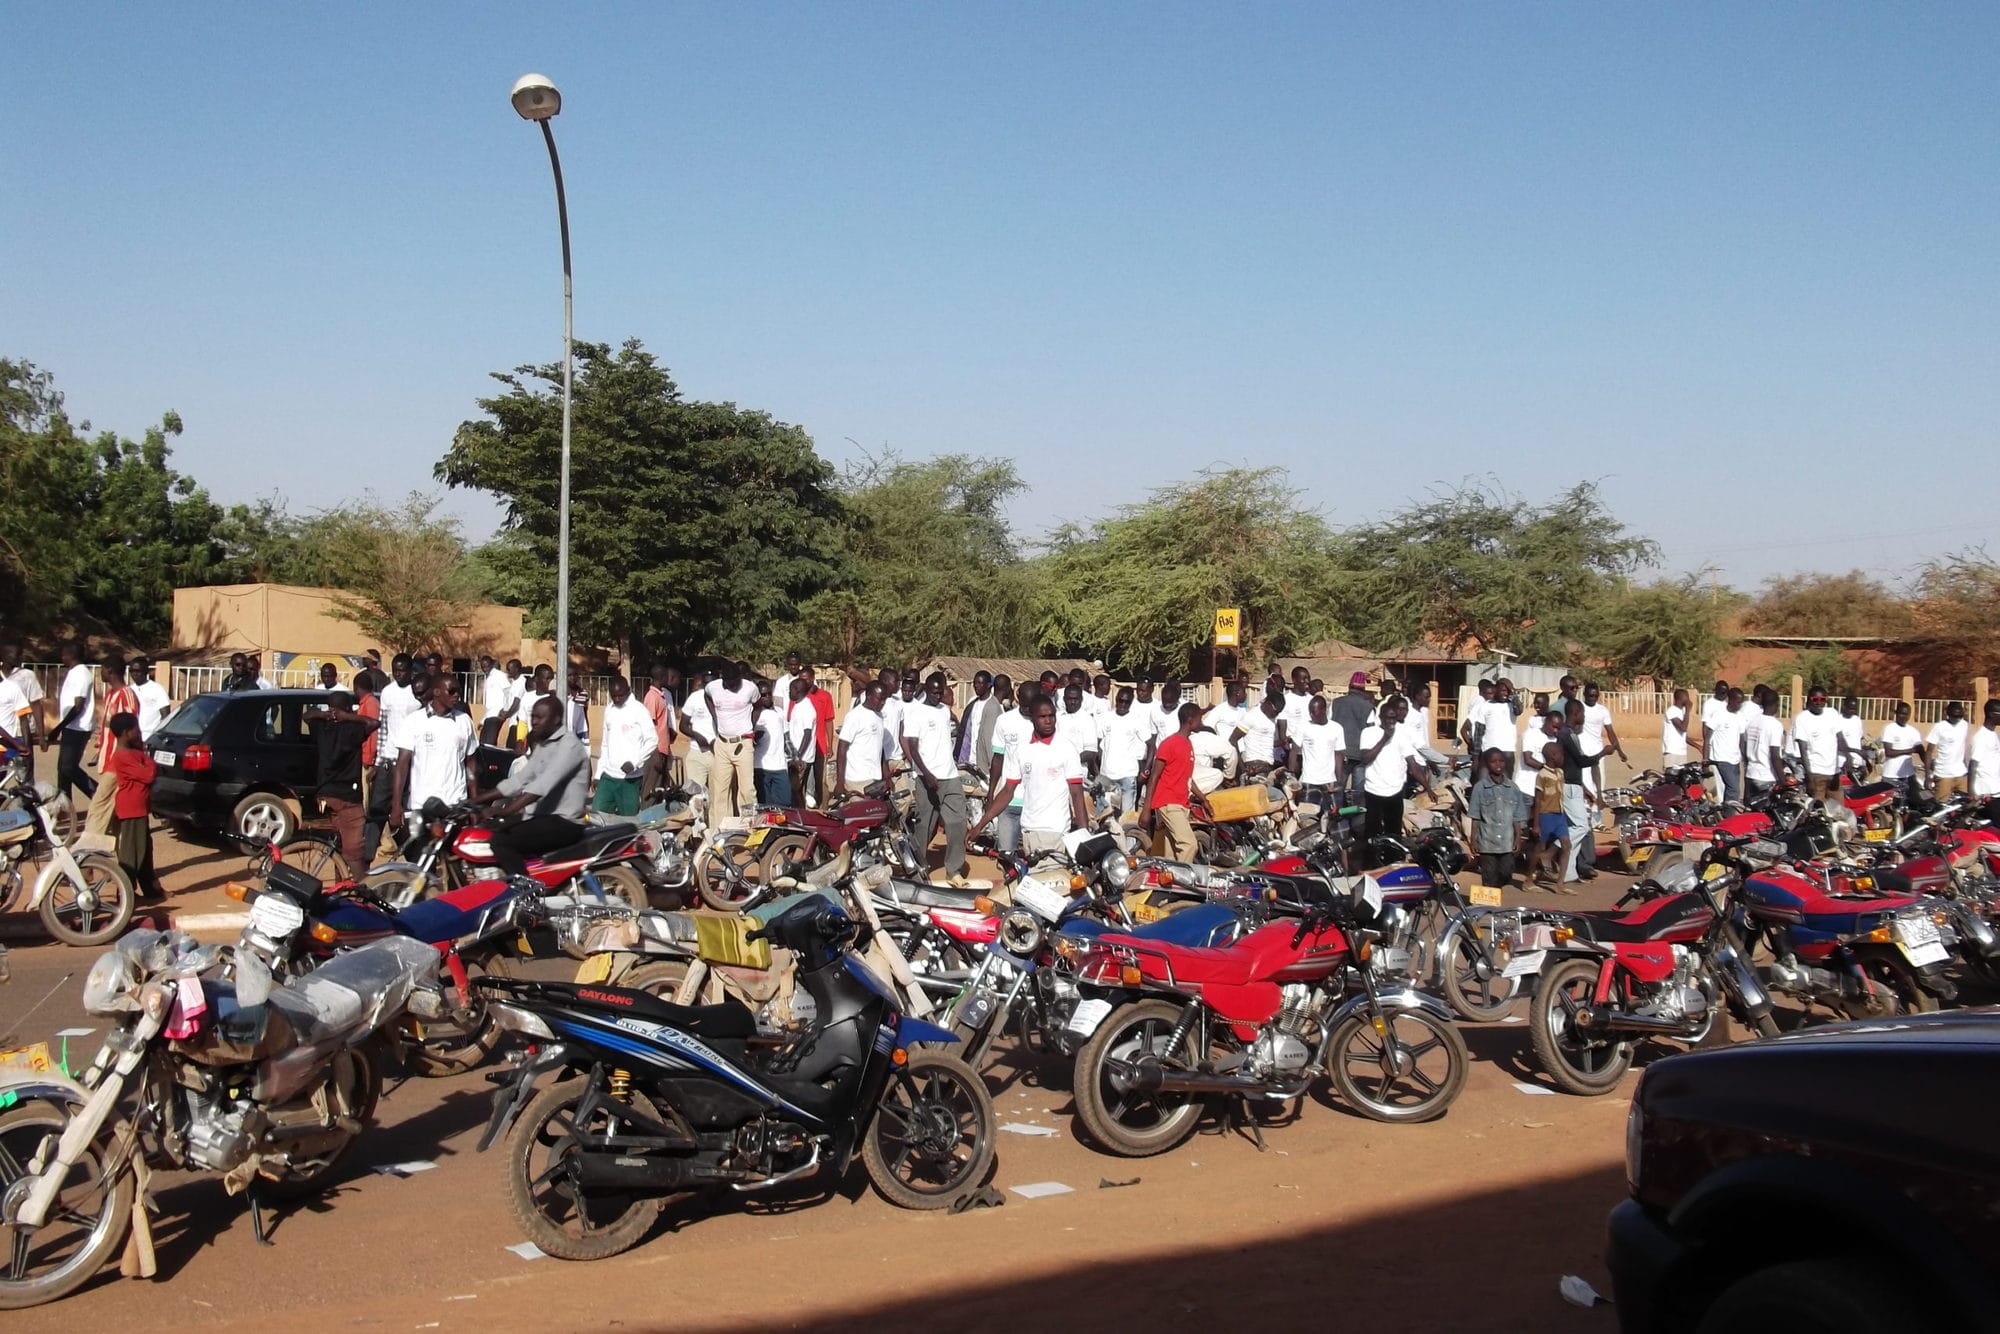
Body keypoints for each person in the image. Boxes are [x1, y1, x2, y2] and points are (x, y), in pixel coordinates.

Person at [479, 695, 592, 876]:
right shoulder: (543, 745)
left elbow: (542, 785)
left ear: (555, 719)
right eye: (533, 717)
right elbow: (519, 779)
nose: (534, 722)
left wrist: (506, 810)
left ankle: (526, 895)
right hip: (543, 818)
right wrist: (476, 800)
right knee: (487, 829)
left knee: (501, 841)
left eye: (540, 717)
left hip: (564, 822)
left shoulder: (569, 745)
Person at [968, 694, 1089, 857]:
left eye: (1051, 716)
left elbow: (1077, 795)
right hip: (1028, 833)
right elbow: (1007, 792)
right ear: (1032, 718)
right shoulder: (1023, 750)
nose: (1048, 721)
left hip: (1054, 833)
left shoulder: (1066, 749)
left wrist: (1084, 835)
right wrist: (980, 826)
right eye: (1042, 717)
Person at [904, 672, 970, 884]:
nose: (937, 696)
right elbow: (913, 748)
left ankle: (953, 870)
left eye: (940, 692)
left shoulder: (944, 710)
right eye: (933, 692)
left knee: (958, 822)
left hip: (950, 776)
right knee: (924, 826)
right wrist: (925, 773)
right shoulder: (915, 712)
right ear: (926, 690)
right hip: (926, 778)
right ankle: (917, 868)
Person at [304, 690, 377, 872]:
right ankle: (362, 891)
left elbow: (306, 715)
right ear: (347, 709)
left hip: (325, 794)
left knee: (339, 845)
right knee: (354, 852)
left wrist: (323, 714)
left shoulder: (321, 726)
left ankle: (342, 882)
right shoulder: (353, 729)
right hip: (347, 797)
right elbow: (374, 723)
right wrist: (350, 717)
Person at [1354, 696, 1435, 855]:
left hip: (1395, 791)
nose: (1391, 722)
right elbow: (1365, 758)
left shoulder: (1401, 735)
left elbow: (1413, 765)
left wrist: (1428, 788)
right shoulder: (1369, 733)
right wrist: (1385, 738)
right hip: (1374, 790)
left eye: (1393, 718)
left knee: (1394, 831)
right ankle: (1372, 862)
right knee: (1373, 832)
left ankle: (1394, 860)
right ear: (1381, 718)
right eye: (1388, 718)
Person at [390, 674, 479, 820]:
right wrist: (396, 805)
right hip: (422, 805)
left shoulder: (464, 721)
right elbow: (402, 766)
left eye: (458, 691)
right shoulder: (414, 721)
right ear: (437, 692)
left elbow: (471, 765)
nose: (456, 695)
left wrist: (474, 804)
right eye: (451, 691)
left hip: (456, 805)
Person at [100, 712, 164, 900]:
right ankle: (125, 894)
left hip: (140, 809)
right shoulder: (122, 756)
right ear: (127, 733)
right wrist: (149, 763)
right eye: (136, 730)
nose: (139, 733)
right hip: (131, 810)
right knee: (131, 854)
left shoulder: (134, 752)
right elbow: (149, 774)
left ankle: (150, 889)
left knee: (144, 850)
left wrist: (145, 758)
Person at [1145, 702, 1209, 860]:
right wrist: (1146, 810)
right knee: (1188, 844)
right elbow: (1154, 776)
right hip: (1169, 803)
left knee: (1170, 854)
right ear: (1190, 720)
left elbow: (1187, 778)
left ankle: (1168, 882)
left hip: (1181, 804)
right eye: (1200, 719)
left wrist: (1203, 799)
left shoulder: (1188, 744)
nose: (1202, 722)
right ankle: (1184, 881)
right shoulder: (1169, 744)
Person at [84, 657, 138, 839]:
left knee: (97, 809)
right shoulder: (109, 695)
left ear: (109, 670)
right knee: (114, 813)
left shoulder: (126, 695)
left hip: (118, 764)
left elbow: (131, 731)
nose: (100, 673)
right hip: (107, 760)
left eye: (102, 669)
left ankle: (87, 854)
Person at [702, 662, 761, 816]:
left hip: (743, 743)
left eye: (735, 681)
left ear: (740, 677)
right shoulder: (713, 687)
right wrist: (714, 715)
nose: (733, 685)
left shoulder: (750, 688)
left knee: (747, 789)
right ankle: (720, 830)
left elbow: (758, 705)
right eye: (729, 682)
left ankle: (749, 827)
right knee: (720, 790)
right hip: (722, 743)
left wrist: (751, 726)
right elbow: (707, 695)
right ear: (723, 678)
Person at [985, 684, 1039, 854]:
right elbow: (998, 759)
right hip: (1008, 801)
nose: (1028, 711)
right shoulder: (1004, 721)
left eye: (1032, 707)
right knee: (1007, 855)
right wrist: (991, 792)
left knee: (1035, 858)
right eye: (1025, 706)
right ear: (1017, 697)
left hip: (1036, 803)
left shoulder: (1046, 722)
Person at [594, 675, 656, 816]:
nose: (617, 699)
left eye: (620, 695)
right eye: (613, 696)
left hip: (630, 779)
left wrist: (635, 762)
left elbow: (652, 740)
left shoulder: (639, 710)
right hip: (608, 777)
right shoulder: (609, 709)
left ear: (628, 690)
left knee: (628, 821)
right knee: (597, 817)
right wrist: (598, 774)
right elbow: (605, 744)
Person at [48, 643, 97, 809]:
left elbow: (78, 706)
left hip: (79, 728)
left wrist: (58, 728)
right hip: (71, 728)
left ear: (71, 654)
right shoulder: (73, 672)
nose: (62, 658)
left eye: (64, 654)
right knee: (62, 769)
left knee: (69, 768)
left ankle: (97, 795)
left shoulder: (82, 674)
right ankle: (65, 807)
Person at [1468, 747, 1525, 889]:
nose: (1498, 765)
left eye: (1501, 761)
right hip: (1487, 842)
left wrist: (1518, 837)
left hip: (1507, 843)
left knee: (1507, 872)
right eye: (1493, 762)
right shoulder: (1480, 788)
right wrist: (1473, 839)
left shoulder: (1513, 788)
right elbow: (1475, 816)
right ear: (1487, 764)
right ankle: (1489, 907)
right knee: (1489, 876)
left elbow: (1517, 816)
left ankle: (1500, 897)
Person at [1095, 687, 1152, 815]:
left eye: (1127, 702)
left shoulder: (1136, 719)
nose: (1123, 704)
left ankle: (1129, 836)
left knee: (1127, 817)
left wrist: (1146, 769)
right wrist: (1097, 767)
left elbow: (1151, 744)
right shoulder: (1106, 717)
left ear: (1131, 703)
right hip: (1106, 774)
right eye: (1121, 701)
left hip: (1127, 775)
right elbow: (1097, 742)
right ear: (1116, 700)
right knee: (1102, 814)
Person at [1788, 689, 1851, 800]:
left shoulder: (1832, 713)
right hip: (1816, 773)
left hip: (1834, 773)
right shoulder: (1802, 718)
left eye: (1822, 699)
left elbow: (1840, 738)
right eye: (1815, 699)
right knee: (1818, 812)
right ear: (1809, 700)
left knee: (1838, 811)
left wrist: (1848, 758)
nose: (1819, 702)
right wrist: (1810, 777)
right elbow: (1803, 750)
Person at [1527, 740, 1571, 891]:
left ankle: (1560, 884)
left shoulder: (1560, 772)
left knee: (1566, 844)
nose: (1563, 757)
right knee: (1539, 847)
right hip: (1545, 815)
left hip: (1559, 814)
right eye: (1561, 754)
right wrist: (1536, 823)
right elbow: (1538, 799)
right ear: (1553, 756)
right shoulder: (1542, 775)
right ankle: (1528, 880)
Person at [1328, 672, 1378, 805]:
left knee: (1337, 787)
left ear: (1349, 687)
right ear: (1363, 689)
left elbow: (1329, 725)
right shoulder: (1368, 707)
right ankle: (1356, 819)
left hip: (1339, 754)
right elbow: (1372, 732)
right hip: (1360, 755)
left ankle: (1335, 816)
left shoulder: (1336, 703)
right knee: (1358, 793)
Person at [1290, 695, 1344, 815]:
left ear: (1324, 710)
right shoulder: (1303, 727)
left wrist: (1338, 781)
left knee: (1332, 817)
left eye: (1314, 712)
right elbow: (1294, 751)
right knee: (1307, 819)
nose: (1311, 716)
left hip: (1329, 781)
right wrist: (1292, 776)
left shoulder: (1336, 728)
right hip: (1309, 781)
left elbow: (1339, 755)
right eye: (1310, 713)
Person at [835, 682, 888, 796]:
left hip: (875, 778)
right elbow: (842, 748)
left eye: (885, 699)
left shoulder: (879, 716)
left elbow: (879, 747)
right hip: (857, 779)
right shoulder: (855, 716)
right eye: (880, 699)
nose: (883, 702)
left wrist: (885, 774)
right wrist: (840, 782)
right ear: (868, 696)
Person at [1, 645, 44, 780]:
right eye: (13, 654)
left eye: (19, 654)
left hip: (22, 734)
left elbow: (36, 705)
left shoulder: (27, 676)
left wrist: (41, 735)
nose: (17, 657)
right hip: (3, 735)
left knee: (24, 777)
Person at [752, 682, 794, 809]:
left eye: (770, 694)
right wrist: (754, 739)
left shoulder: (780, 712)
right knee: (765, 805)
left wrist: (795, 758)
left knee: (785, 803)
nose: (768, 697)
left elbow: (786, 738)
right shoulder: (752, 715)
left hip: (780, 766)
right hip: (760, 766)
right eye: (763, 695)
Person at [1704, 688, 1750, 805]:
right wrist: (1705, 759)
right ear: (1731, 700)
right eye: (1738, 702)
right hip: (1722, 759)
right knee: (1733, 789)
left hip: (1735, 759)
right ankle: (1728, 816)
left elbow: (1741, 739)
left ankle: (1724, 812)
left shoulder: (1740, 716)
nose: (1740, 705)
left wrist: (1745, 757)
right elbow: (1708, 736)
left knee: (1732, 789)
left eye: (1741, 702)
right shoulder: (1719, 715)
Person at [641, 663, 679, 799]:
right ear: (662, 677)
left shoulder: (661, 695)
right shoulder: (652, 697)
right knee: (650, 791)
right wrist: (655, 752)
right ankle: (646, 818)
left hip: (662, 749)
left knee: (660, 789)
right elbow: (649, 726)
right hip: (655, 751)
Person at [956, 671, 1004, 776]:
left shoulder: (995, 707)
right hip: (968, 758)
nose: (976, 686)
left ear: (988, 685)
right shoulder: (972, 702)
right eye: (975, 683)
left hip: (984, 760)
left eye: (980, 683)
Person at [801, 667, 837, 805]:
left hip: (820, 745)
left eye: (805, 679)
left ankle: (822, 807)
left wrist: (829, 743)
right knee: (802, 779)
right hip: (803, 746)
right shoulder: (798, 696)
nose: (802, 681)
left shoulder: (825, 696)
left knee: (820, 778)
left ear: (811, 678)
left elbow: (829, 721)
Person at [783, 678, 819, 805]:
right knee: (796, 791)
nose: (788, 692)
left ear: (797, 690)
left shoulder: (807, 708)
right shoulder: (798, 705)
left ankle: (799, 817)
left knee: (795, 790)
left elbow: (807, 734)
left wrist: (798, 757)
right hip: (795, 756)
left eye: (790, 689)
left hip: (801, 758)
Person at [1232, 692, 1284, 780]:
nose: (1276, 714)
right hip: (1254, 767)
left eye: (1279, 712)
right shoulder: (1251, 716)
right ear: (1268, 704)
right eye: (1275, 711)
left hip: (1269, 767)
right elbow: (1233, 739)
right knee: (1276, 794)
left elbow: (1266, 742)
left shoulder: (1272, 718)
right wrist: (1242, 768)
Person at [1743, 699, 1787, 802]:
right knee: (1767, 814)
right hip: (1767, 777)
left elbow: (1744, 746)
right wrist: (1782, 780)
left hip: (1750, 773)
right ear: (1776, 705)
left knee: (1751, 813)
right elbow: (1775, 755)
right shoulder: (1775, 725)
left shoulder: (1752, 722)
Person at [1879, 702, 1924, 801]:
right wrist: (1910, 750)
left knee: (1914, 802)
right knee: (1891, 804)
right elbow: (1889, 752)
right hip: (1891, 775)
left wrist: (1929, 764)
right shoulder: (1889, 729)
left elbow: (1920, 750)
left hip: (1908, 775)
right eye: (1901, 713)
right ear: (1896, 713)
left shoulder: (1913, 731)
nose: (1904, 717)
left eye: (1907, 714)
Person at [1926, 702, 1970, 801]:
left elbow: (1961, 748)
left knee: (1964, 807)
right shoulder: (1939, 727)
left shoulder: (1964, 725)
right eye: (1954, 716)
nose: (1957, 718)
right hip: (1943, 775)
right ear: (1947, 714)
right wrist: (1927, 776)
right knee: (1941, 807)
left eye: (1960, 716)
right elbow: (1929, 752)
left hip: (1961, 774)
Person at [680, 670, 714, 793]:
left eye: (712, 682)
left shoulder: (723, 698)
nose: (708, 686)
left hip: (718, 753)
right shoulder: (694, 698)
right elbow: (683, 725)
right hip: (697, 752)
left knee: (718, 795)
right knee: (695, 794)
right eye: (706, 683)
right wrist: (696, 736)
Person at [1055, 684, 1102, 774]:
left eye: (1076, 699)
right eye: (1069, 699)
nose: (1073, 702)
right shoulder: (1057, 717)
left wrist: (1069, 762)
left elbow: (1090, 752)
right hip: (1056, 772)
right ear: (1064, 699)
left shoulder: (1087, 720)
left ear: (1081, 699)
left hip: (1077, 772)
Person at [478, 655, 512, 745]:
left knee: (489, 742)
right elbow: (490, 703)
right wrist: (483, 720)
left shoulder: (499, 675)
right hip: (489, 714)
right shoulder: (488, 678)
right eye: (483, 667)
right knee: (482, 742)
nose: (485, 668)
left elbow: (508, 692)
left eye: (487, 666)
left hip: (497, 714)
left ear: (492, 664)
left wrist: (505, 709)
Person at [1970, 701, 2000, 803]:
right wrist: (1971, 792)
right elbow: (1973, 764)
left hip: (1995, 788)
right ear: (1991, 714)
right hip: (1986, 791)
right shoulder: (1981, 737)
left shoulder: (1993, 734)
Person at [1838, 697, 1867, 779]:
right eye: (1850, 708)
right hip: (1843, 763)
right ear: (1844, 706)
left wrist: (1864, 762)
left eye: (1854, 709)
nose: (1853, 711)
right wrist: (1854, 752)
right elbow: (1838, 744)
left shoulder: (1857, 720)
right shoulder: (1838, 720)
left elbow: (1859, 741)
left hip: (1858, 764)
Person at [1662, 687, 1691, 764]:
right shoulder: (1671, 711)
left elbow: (1683, 735)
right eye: (1687, 698)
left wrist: (1698, 746)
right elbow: (1683, 728)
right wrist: (1688, 710)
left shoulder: (1682, 712)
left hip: (1681, 752)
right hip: (1672, 751)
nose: (1688, 700)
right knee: (1671, 775)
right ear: (1680, 698)